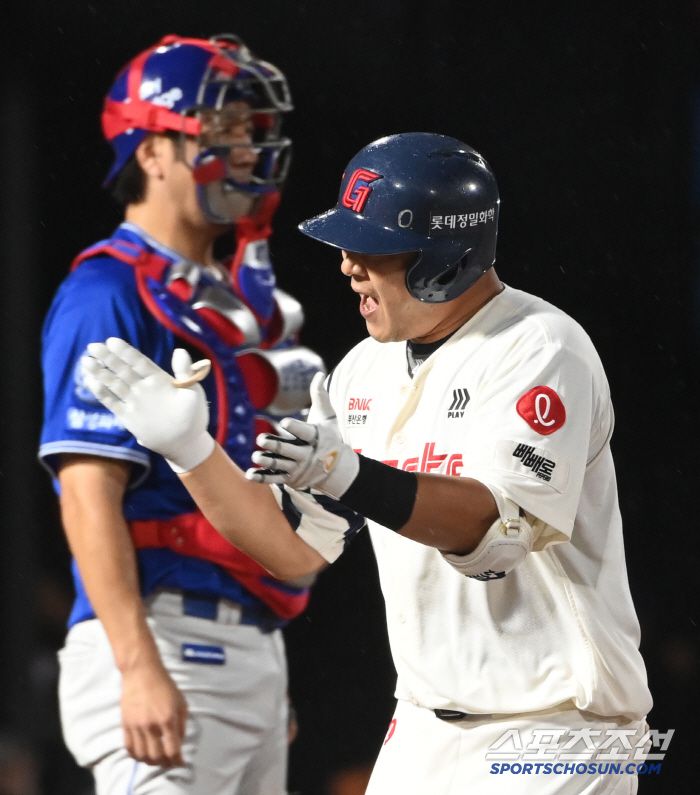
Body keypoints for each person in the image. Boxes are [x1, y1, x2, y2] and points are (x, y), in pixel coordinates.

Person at [81, 133, 653, 794]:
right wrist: (191, 450)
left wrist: (346, 474)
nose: (348, 264)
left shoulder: (540, 346)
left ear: (443, 256)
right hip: (422, 724)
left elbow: (495, 536)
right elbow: (294, 551)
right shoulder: (363, 371)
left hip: (555, 725)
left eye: (372, 247)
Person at [39, 33, 331, 794]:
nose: (242, 149)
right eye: (220, 128)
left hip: (251, 648)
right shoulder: (109, 290)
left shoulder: (229, 298)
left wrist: (261, 669)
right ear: (152, 151)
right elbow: (87, 493)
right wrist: (138, 665)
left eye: (248, 129)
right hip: (164, 639)